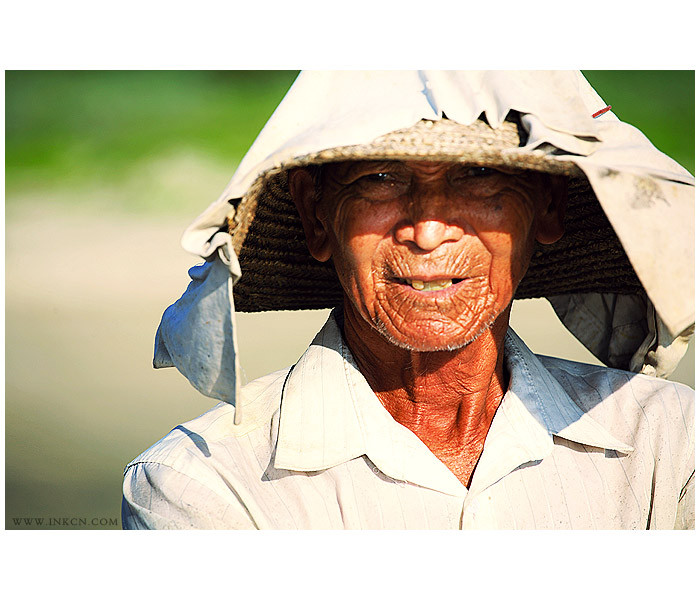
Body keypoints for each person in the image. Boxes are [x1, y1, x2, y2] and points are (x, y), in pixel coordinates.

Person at [122, 71, 694, 529]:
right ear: (315, 215)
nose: (426, 231)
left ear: (546, 207)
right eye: (381, 177)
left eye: (477, 174)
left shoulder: (668, 444)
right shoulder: (207, 482)